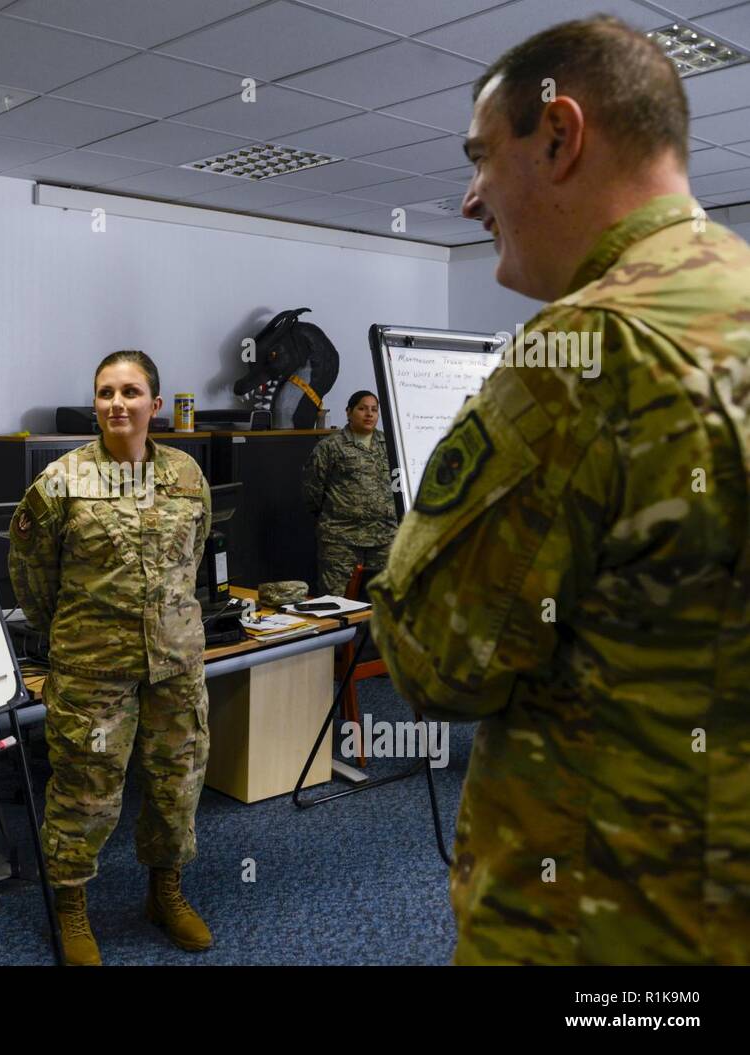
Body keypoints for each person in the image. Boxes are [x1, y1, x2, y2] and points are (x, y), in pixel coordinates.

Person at [368, 17, 750, 965]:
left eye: (481, 158)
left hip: (603, 918)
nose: (468, 200)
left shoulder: (588, 350)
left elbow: (433, 660)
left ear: (559, 135)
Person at [9, 350, 212, 966]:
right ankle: (71, 910)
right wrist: (74, 634)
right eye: (105, 393)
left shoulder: (185, 474)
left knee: (176, 784)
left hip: (176, 664)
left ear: (155, 404)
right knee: (85, 790)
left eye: (130, 392)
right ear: (94, 403)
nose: (117, 404)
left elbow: (194, 556)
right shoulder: (61, 482)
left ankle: (165, 893)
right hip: (93, 670)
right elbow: (30, 575)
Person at [302, 390, 398, 596]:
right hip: (342, 539)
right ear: (348, 412)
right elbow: (312, 491)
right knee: (336, 604)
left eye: (374, 410)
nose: (369, 414)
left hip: (384, 538)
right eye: (362, 409)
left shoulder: (390, 445)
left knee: (384, 601)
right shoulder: (330, 447)